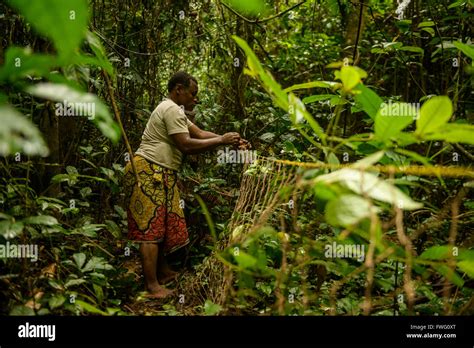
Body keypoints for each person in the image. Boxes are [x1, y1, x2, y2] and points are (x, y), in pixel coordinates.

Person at [123, 71, 246, 298]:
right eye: (192, 93)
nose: (195, 99)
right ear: (178, 89)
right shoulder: (169, 108)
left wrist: (230, 139)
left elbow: (198, 133)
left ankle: (163, 271)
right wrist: (221, 140)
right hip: (148, 171)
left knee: (160, 224)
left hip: (162, 172)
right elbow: (186, 145)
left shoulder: (176, 111)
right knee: (150, 229)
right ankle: (152, 287)